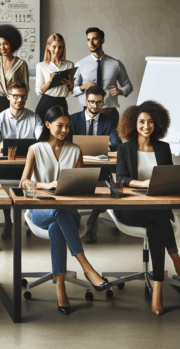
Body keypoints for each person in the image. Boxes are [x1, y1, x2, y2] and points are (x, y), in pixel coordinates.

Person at [19, 105, 110, 315]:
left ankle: (60, 287)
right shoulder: (36, 148)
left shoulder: (75, 150)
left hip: (69, 211)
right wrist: (46, 185)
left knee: (56, 226)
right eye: (59, 125)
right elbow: (23, 182)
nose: (64, 130)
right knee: (57, 214)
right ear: (48, 125)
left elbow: (82, 183)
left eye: (67, 126)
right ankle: (87, 267)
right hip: (41, 210)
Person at [115, 101, 180, 315]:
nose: (146, 126)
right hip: (131, 207)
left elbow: (169, 176)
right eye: (142, 121)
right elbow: (121, 179)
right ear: (133, 124)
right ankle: (177, 261)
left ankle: (158, 289)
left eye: (150, 121)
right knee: (159, 219)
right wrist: (143, 184)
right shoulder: (124, 148)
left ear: (157, 124)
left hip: (157, 205)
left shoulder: (163, 148)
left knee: (155, 227)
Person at [0, 81, 43, 243]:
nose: (19, 100)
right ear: (8, 96)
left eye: (23, 96)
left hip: (27, 167)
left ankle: (34, 216)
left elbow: (41, 143)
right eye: (15, 96)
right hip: (5, 166)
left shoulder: (34, 118)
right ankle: (6, 220)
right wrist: (8, 146)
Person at [65, 85, 122, 244]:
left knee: (110, 187)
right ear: (85, 101)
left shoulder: (109, 122)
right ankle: (73, 220)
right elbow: (66, 144)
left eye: (99, 103)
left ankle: (92, 220)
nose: (95, 106)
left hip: (100, 168)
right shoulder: (72, 119)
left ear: (103, 103)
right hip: (76, 166)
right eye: (91, 102)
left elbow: (117, 144)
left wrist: (104, 147)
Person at [72, 27, 133, 124]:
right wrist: (84, 87)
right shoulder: (80, 65)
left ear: (102, 40)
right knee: (87, 140)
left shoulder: (115, 64)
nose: (91, 43)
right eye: (88, 40)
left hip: (110, 114)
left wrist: (120, 91)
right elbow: (72, 90)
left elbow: (129, 86)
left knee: (113, 139)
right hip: (88, 114)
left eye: (95, 39)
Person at [35, 33, 75, 122]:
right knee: (43, 132)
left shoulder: (69, 65)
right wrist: (50, 81)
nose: (57, 50)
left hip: (62, 102)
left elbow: (71, 91)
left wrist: (70, 85)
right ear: (48, 47)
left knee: (61, 132)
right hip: (46, 102)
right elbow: (38, 90)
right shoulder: (41, 66)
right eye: (54, 47)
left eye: (60, 47)